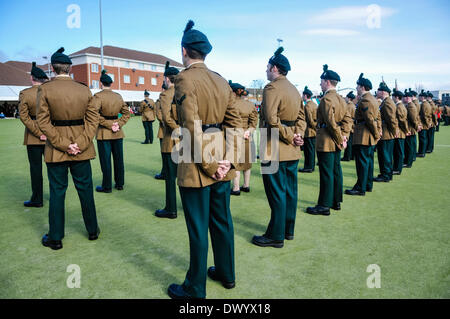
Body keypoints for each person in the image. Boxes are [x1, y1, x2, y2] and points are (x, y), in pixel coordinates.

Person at [167, 20, 241, 299]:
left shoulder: (185, 78)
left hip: (200, 163)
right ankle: (226, 273)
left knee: (198, 227)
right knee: (222, 221)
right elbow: (234, 124)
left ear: (184, 51)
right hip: (221, 157)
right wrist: (229, 161)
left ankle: (196, 288)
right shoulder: (221, 80)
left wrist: (211, 166)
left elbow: (191, 126)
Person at [36, 47, 100, 250]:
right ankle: (92, 230)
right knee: (86, 190)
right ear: (69, 68)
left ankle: (55, 238)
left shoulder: (45, 89)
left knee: (57, 192)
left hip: (57, 148)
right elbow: (93, 120)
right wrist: (79, 144)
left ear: (53, 69)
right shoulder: (83, 89)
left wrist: (64, 145)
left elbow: (43, 122)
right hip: (82, 147)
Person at [253, 46, 306, 246]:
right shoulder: (294, 89)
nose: (265, 71)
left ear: (275, 68)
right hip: (292, 148)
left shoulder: (272, 88)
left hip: (273, 146)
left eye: (267, 67)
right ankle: (287, 230)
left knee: (276, 193)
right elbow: (302, 118)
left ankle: (275, 236)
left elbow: (271, 119)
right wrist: (297, 135)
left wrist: (290, 136)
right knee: (290, 191)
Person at [306, 65, 351, 215]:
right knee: (336, 170)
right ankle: (335, 201)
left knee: (326, 172)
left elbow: (331, 122)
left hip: (326, 139)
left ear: (327, 82)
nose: (320, 84)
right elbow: (347, 119)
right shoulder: (341, 99)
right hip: (337, 138)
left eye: (322, 81)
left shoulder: (326, 99)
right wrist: (344, 137)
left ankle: (324, 205)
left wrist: (340, 138)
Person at [93, 70, 130, 193]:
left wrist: (109, 124)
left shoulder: (98, 96)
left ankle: (107, 186)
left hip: (104, 133)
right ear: (111, 84)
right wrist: (117, 124)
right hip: (117, 132)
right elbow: (126, 113)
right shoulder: (118, 96)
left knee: (106, 161)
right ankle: (120, 184)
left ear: (100, 83)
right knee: (119, 159)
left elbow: (94, 114)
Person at [19, 62, 49, 207]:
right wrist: (45, 133)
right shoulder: (49, 92)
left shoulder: (25, 93)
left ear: (32, 78)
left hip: (33, 137)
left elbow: (24, 117)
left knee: (36, 169)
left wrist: (37, 133)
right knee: (54, 168)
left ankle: (37, 200)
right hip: (51, 135)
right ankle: (56, 196)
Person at [345, 73, 379, 196]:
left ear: (362, 87)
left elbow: (370, 119)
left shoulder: (365, 100)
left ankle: (360, 187)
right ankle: (367, 184)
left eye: (358, 86)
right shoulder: (372, 99)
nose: (357, 88)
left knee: (362, 163)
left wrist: (376, 133)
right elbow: (376, 118)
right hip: (367, 134)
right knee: (368, 162)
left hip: (364, 134)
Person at [155, 61, 180, 219]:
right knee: (186, 176)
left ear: (167, 79)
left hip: (171, 140)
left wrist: (178, 130)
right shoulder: (186, 91)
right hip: (188, 139)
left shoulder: (166, 94)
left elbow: (165, 117)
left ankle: (171, 209)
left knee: (170, 178)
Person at [228, 81, 258, 195]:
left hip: (234, 136)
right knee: (247, 163)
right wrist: (248, 132)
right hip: (247, 136)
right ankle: (246, 185)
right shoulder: (250, 105)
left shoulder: (230, 104)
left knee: (236, 164)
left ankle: (236, 188)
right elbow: (254, 122)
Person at [374, 82, 398, 182]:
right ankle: (385, 173)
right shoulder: (387, 101)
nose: (377, 92)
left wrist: (393, 131)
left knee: (385, 155)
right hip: (387, 132)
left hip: (387, 133)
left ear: (383, 92)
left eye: (379, 90)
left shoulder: (388, 102)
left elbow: (391, 119)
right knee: (384, 155)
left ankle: (386, 175)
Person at [299, 86, 317, 173]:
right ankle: (311, 166)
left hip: (309, 131)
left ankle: (308, 167)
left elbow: (309, 120)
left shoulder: (307, 106)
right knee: (312, 150)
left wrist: (315, 127)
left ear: (305, 96)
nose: (302, 97)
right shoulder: (314, 105)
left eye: (303, 95)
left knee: (308, 151)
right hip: (313, 131)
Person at [392, 89, 409, 175]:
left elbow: (402, 120)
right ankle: (396, 167)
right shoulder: (400, 106)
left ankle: (397, 169)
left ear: (397, 97)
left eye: (393, 97)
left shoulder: (399, 107)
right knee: (397, 151)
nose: (392, 98)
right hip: (400, 131)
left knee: (399, 151)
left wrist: (406, 130)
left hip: (400, 132)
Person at [403, 90, 420, 168]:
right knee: (409, 146)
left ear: (407, 98)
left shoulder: (411, 106)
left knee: (409, 147)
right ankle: (408, 160)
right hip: (410, 128)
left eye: (404, 97)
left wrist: (416, 127)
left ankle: (408, 162)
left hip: (410, 128)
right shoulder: (409, 105)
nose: (403, 99)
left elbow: (413, 119)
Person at [341, 91, 357, 161]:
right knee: (352, 142)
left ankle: (347, 157)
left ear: (349, 98)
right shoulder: (353, 105)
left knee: (349, 143)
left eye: (346, 98)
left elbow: (347, 117)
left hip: (350, 126)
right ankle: (352, 156)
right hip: (353, 125)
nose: (346, 99)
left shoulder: (348, 106)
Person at [154, 87, 166, 180]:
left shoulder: (161, 99)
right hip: (180, 129)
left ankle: (164, 173)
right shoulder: (178, 95)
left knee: (165, 154)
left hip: (165, 130)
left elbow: (159, 114)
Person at [417, 90, 432, 157]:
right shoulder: (427, 104)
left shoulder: (423, 104)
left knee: (422, 139)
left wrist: (427, 123)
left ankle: (421, 152)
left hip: (423, 124)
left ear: (422, 97)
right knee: (424, 138)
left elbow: (424, 115)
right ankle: (422, 151)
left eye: (419, 96)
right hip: (426, 123)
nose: (419, 98)